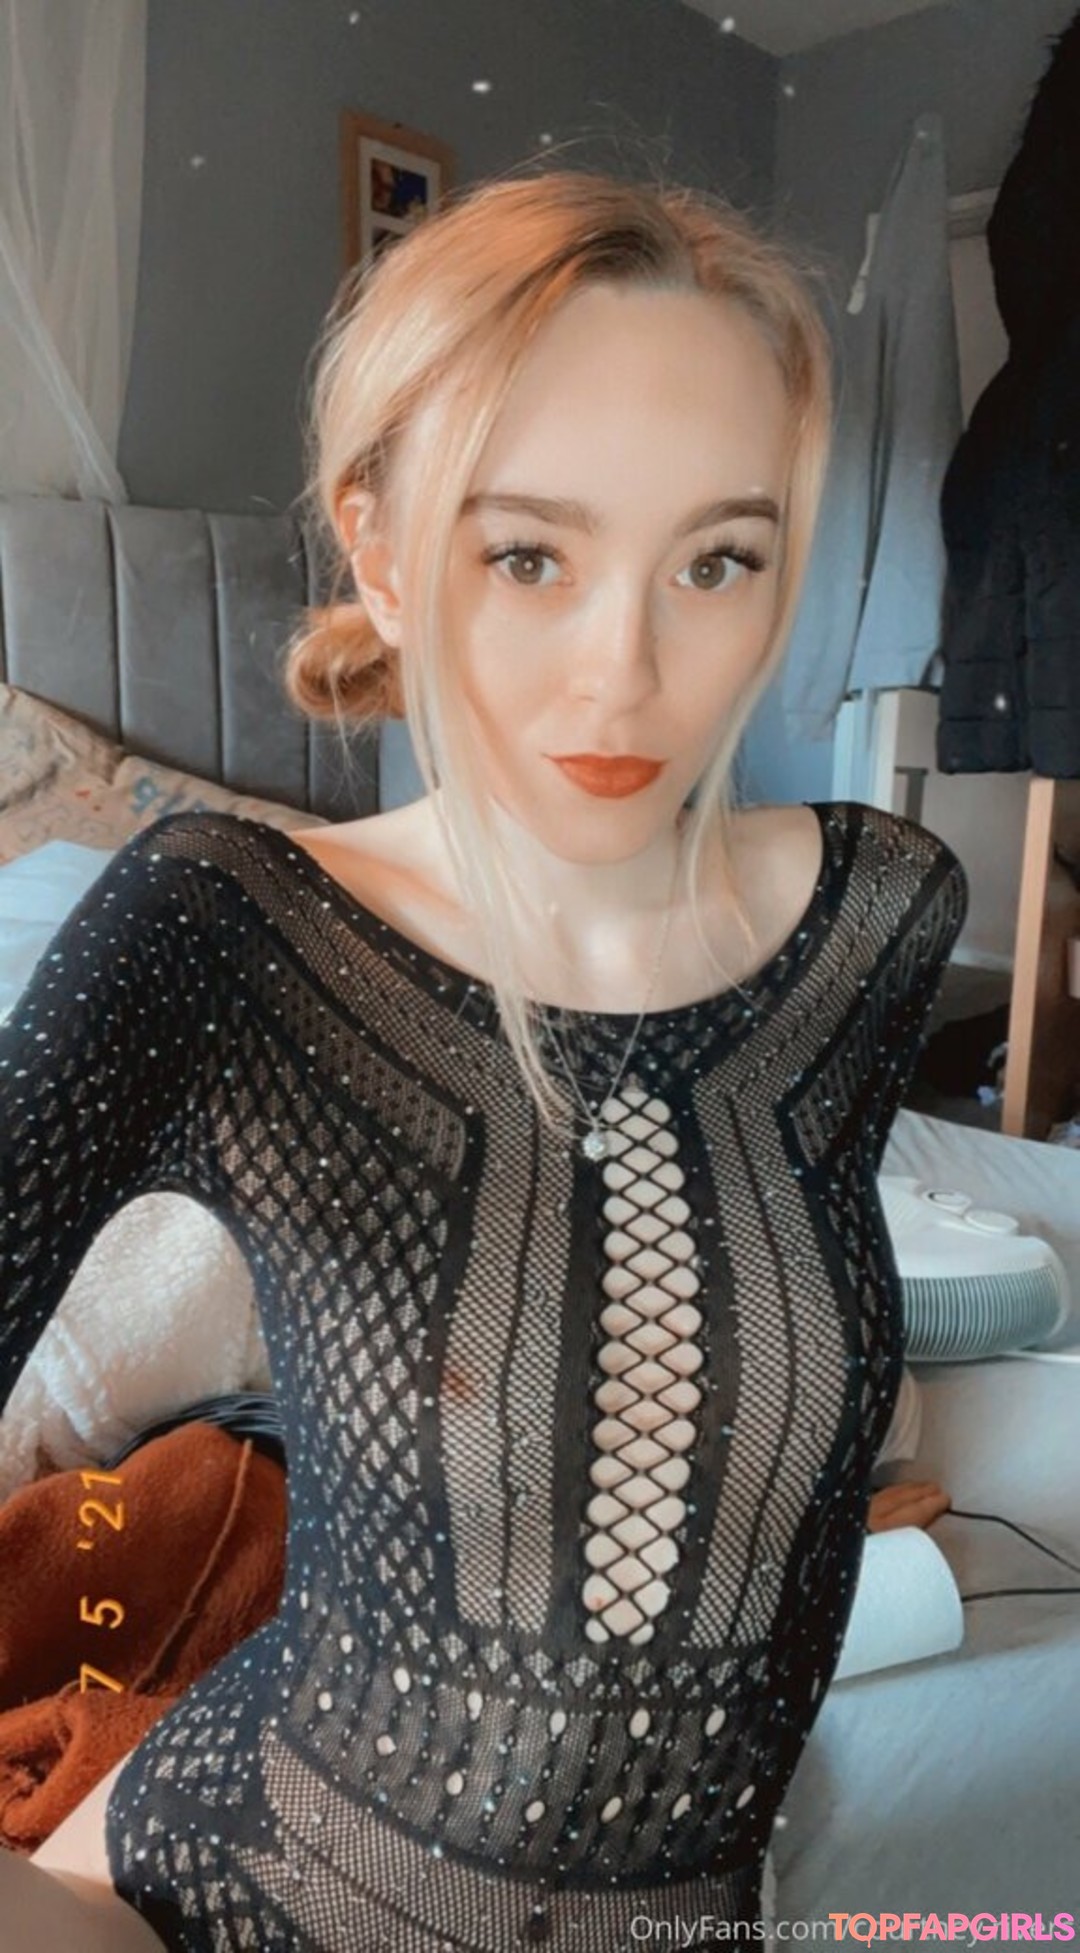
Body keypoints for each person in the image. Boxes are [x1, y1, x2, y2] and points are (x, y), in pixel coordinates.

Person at [0, 166, 964, 1951]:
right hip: (241, 1893)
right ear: (382, 551)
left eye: (718, 560)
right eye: (530, 554)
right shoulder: (220, 923)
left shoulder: (879, 916)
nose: (626, 673)